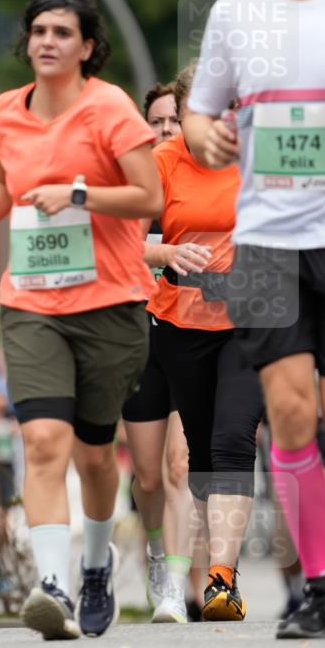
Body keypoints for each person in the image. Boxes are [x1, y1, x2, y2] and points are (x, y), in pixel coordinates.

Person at [184, 0, 325, 638]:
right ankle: (318, 592)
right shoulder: (235, 11)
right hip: (263, 240)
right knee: (290, 420)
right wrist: (209, 136)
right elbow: (197, 117)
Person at [0, 0, 162, 640]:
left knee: (96, 455)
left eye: (62, 33)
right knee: (43, 441)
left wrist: (75, 191)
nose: (47, 41)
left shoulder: (111, 109)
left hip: (109, 300)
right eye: (39, 30)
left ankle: (95, 567)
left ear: (88, 46)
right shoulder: (3, 112)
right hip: (30, 301)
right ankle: (52, 589)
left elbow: (147, 196)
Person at [148, 63, 264, 622]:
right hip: (181, 323)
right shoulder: (163, 162)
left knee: (234, 440)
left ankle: (222, 580)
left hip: (252, 323)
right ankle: (202, 570)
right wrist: (166, 255)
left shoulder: (261, 157)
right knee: (200, 459)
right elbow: (118, 238)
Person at [121, 83, 194, 620]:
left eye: (175, 119)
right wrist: (163, 250)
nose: (166, 128)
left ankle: (173, 583)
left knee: (178, 464)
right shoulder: (137, 179)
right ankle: (153, 549)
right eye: (158, 121)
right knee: (147, 475)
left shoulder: (204, 175)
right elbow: (117, 241)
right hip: (139, 329)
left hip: (194, 329)